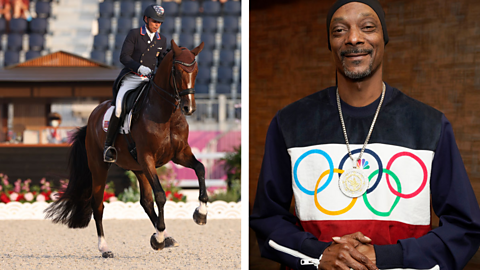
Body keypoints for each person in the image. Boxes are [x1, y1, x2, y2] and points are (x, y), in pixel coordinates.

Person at [250, 0, 480, 269]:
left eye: (367, 27)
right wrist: (319, 253)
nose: (353, 38)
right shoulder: (289, 122)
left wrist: (385, 257)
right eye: (339, 31)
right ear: (329, 44)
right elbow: (267, 219)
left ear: (384, 38)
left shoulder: (429, 125)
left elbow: (464, 228)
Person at [103, 4, 168, 163]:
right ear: (146, 19)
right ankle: (108, 146)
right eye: (154, 21)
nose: (157, 25)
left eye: (159, 22)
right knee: (119, 108)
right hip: (132, 77)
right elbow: (124, 57)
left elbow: (161, 62)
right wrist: (139, 67)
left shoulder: (162, 40)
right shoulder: (134, 34)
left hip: (149, 80)